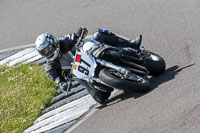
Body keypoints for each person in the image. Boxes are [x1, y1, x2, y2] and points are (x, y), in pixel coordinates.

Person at [35, 27, 142, 104]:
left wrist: (79, 33)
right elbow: (56, 78)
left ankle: (131, 45)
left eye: (49, 47)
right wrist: (62, 84)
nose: (48, 51)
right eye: (45, 51)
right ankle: (117, 81)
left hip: (92, 56)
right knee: (100, 98)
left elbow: (74, 36)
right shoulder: (50, 66)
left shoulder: (64, 41)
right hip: (84, 77)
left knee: (98, 35)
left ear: (54, 43)